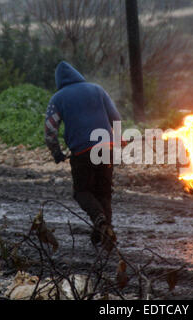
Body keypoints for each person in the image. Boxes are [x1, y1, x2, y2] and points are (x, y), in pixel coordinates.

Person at [44, 61, 121, 251]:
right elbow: (116, 118)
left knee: (82, 192)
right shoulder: (97, 89)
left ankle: (99, 220)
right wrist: (118, 139)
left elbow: (50, 129)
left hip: (82, 151)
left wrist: (56, 152)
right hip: (106, 147)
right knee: (104, 192)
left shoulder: (58, 97)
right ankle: (103, 233)